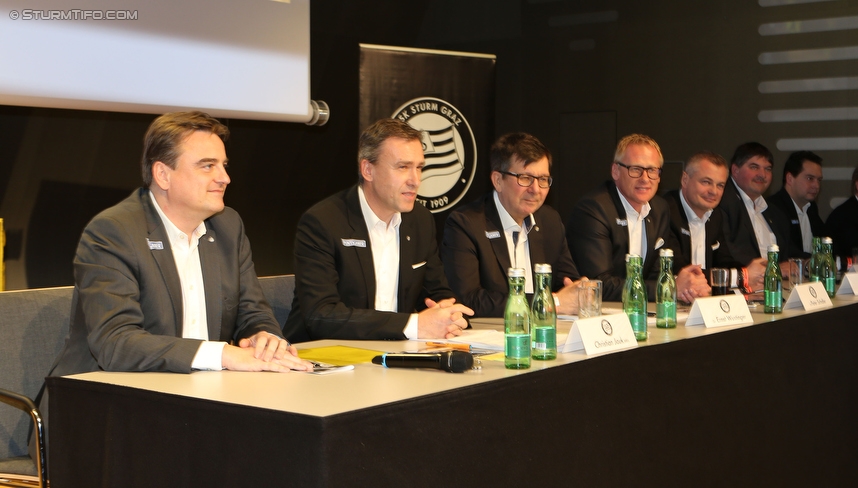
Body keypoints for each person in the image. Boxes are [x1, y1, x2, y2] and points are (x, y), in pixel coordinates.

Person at [50, 111, 311, 378]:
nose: (224, 178)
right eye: (208, 166)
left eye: (224, 165)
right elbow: (115, 342)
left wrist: (262, 336)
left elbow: (252, 312)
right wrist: (223, 354)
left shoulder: (227, 226)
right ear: (163, 174)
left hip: (199, 391)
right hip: (104, 398)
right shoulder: (114, 231)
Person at [283, 119, 472, 342]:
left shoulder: (420, 221)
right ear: (368, 170)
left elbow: (436, 292)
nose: (415, 180)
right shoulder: (323, 222)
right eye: (403, 167)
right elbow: (321, 316)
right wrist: (412, 325)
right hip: (325, 358)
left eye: (419, 167)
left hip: (397, 355)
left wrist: (447, 312)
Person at [441, 132, 582, 317]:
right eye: (525, 178)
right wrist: (550, 303)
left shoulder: (550, 221)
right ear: (498, 180)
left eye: (543, 180)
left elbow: (566, 284)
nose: (535, 190)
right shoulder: (466, 224)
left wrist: (579, 291)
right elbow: (468, 299)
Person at [567, 135, 710, 304]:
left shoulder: (660, 209)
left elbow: (655, 275)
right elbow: (599, 284)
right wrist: (669, 288)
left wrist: (688, 286)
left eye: (652, 170)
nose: (645, 178)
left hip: (640, 311)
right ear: (615, 171)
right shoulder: (593, 209)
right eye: (635, 169)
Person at [662, 151, 765, 293]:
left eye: (720, 185)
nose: (714, 192)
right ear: (685, 179)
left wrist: (756, 275)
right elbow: (682, 273)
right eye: (706, 182)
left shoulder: (715, 214)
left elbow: (724, 261)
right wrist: (742, 276)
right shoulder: (664, 212)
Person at [717, 142, 792, 267]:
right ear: (735, 170)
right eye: (754, 167)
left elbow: (785, 253)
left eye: (767, 169)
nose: (762, 175)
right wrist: (770, 269)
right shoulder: (722, 202)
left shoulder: (774, 212)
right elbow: (726, 252)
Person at [767, 151, 827, 259]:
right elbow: (786, 250)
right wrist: (815, 261)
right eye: (810, 178)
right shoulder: (773, 208)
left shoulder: (811, 208)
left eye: (819, 180)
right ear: (790, 178)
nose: (816, 185)